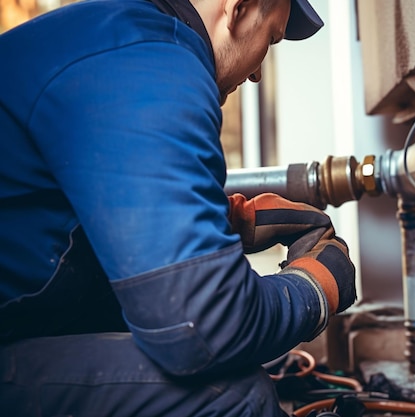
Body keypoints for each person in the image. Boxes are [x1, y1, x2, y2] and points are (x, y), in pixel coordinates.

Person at [0, 0, 357, 415]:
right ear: (239, 7)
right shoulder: (153, 62)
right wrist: (317, 288)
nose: (259, 73)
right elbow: (203, 330)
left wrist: (220, 227)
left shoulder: (110, 36)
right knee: (234, 400)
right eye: (271, 38)